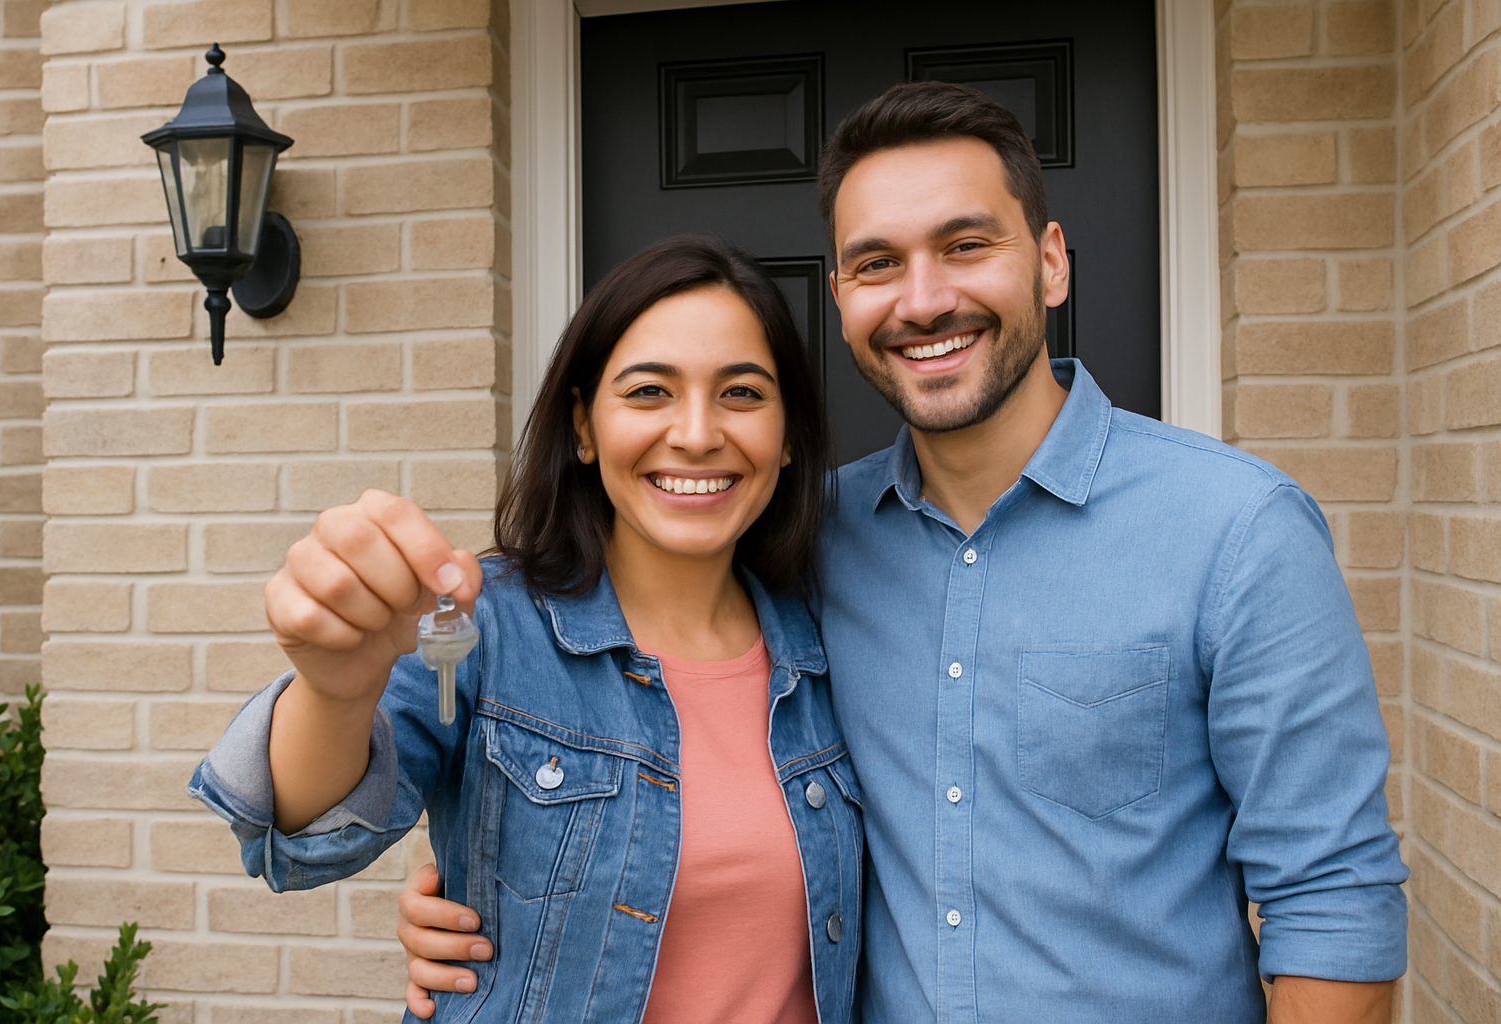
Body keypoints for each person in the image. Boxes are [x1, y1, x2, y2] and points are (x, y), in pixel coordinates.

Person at [395, 83, 1409, 1023]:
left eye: (965, 245)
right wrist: (497, 871)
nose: (922, 301)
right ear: (841, 295)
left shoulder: (1237, 528)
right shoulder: (803, 541)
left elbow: (1334, 897)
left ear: (1051, 261)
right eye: (878, 264)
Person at [190, 236, 864, 1024]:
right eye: (649, 391)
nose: (695, 432)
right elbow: (304, 841)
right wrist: (336, 690)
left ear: (788, 436)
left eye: (742, 393)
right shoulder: (484, 627)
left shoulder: (833, 637)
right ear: (583, 427)